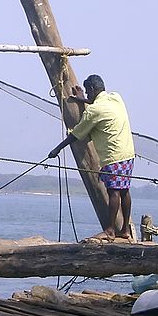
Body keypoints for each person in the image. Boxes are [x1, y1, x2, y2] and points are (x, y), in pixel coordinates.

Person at [47, 74, 135, 240]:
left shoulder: (94, 111)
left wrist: (57, 149)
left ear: (93, 90)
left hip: (113, 155)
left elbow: (77, 134)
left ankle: (109, 230)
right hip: (128, 153)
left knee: (114, 192)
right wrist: (84, 100)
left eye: (88, 92)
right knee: (124, 190)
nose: (87, 95)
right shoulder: (115, 98)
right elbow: (98, 103)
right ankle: (125, 230)